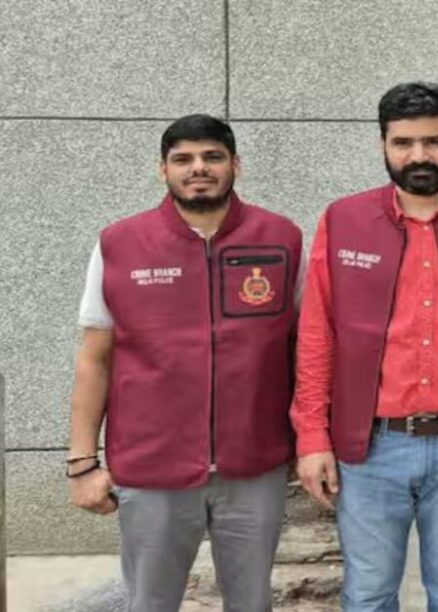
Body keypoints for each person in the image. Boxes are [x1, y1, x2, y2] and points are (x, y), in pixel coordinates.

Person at [291, 81, 438, 611]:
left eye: (433, 141)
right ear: (383, 145)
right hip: (371, 447)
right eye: (403, 143)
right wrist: (311, 436)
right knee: (369, 595)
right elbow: (317, 334)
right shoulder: (343, 220)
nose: (419, 155)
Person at [67, 114, 303, 612]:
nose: (199, 168)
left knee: (252, 603)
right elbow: (95, 359)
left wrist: (308, 442)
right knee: (150, 603)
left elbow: (304, 349)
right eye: (183, 159)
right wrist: (82, 462)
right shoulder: (119, 243)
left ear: (235, 164)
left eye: (212, 156)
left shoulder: (282, 239)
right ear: (163, 169)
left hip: (253, 465)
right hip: (153, 468)